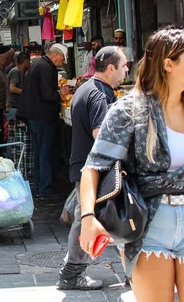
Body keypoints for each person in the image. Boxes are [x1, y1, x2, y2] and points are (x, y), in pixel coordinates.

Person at [79, 28, 184, 301]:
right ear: (168, 64)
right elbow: (94, 167)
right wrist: (88, 218)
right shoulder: (129, 110)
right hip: (150, 227)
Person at [58, 46, 128, 291]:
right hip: (93, 168)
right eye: (123, 66)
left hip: (85, 165)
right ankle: (71, 274)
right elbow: (101, 134)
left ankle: (130, 269)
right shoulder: (100, 94)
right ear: (110, 68)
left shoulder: (86, 88)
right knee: (87, 218)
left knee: (101, 216)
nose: (126, 70)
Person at [17, 44, 70, 198]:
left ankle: (41, 186)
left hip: (36, 115)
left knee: (40, 151)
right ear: (56, 55)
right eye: (62, 59)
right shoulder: (46, 68)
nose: (62, 62)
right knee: (44, 152)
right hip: (42, 116)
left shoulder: (41, 64)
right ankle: (45, 188)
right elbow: (48, 94)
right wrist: (61, 92)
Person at [6, 52, 33, 174]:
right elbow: (12, 88)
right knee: (14, 140)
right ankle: (13, 166)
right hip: (14, 109)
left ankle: (16, 165)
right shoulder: (16, 72)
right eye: (29, 62)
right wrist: (26, 92)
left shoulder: (20, 72)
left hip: (17, 108)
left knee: (15, 139)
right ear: (25, 61)